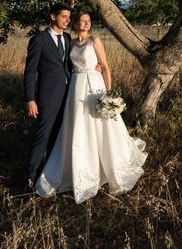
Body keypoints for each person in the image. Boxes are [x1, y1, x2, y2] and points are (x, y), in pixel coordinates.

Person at [35, 12, 147, 203]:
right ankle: (78, 166)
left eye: (89, 21)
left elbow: (105, 66)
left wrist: (108, 94)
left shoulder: (95, 41)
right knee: (78, 125)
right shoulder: (70, 42)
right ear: (76, 23)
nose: (87, 23)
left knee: (100, 125)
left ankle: (109, 165)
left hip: (94, 87)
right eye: (83, 21)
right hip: (76, 89)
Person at [22, 3, 72, 193]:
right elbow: (29, 72)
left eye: (69, 17)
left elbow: (71, 64)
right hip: (48, 96)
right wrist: (30, 99)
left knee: (58, 135)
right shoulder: (39, 40)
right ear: (53, 17)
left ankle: (48, 174)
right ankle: (30, 177)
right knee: (43, 136)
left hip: (68, 95)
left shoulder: (67, 38)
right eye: (64, 16)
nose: (67, 20)